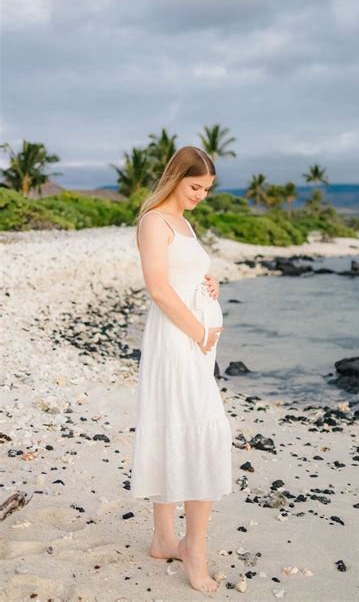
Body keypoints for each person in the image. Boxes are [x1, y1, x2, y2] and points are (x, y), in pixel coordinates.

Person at [130, 146, 233, 594]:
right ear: (175, 178)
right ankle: (193, 549)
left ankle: (162, 538)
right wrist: (197, 330)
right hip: (177, 340)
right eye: (195, 187)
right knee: (202, 430)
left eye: (206, 189)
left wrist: (211, 283)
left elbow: (183, 276)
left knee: (179, 425)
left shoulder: (185, 223)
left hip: (195, 342)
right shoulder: (154, 221)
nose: (200, 196)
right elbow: (157, 286)